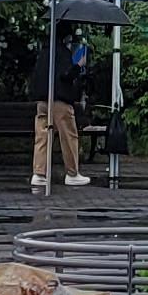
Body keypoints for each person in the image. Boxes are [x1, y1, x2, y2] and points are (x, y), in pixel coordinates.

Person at [34, 25, 90, 193]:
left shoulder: (44, 52)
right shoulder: (62, 52)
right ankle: (72, 173)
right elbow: (65, 75)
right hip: (60, 99)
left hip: (42, 99)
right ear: (65, 38)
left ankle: (39, 173)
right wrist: (78, 65)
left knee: (42, 136)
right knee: (69, 136)